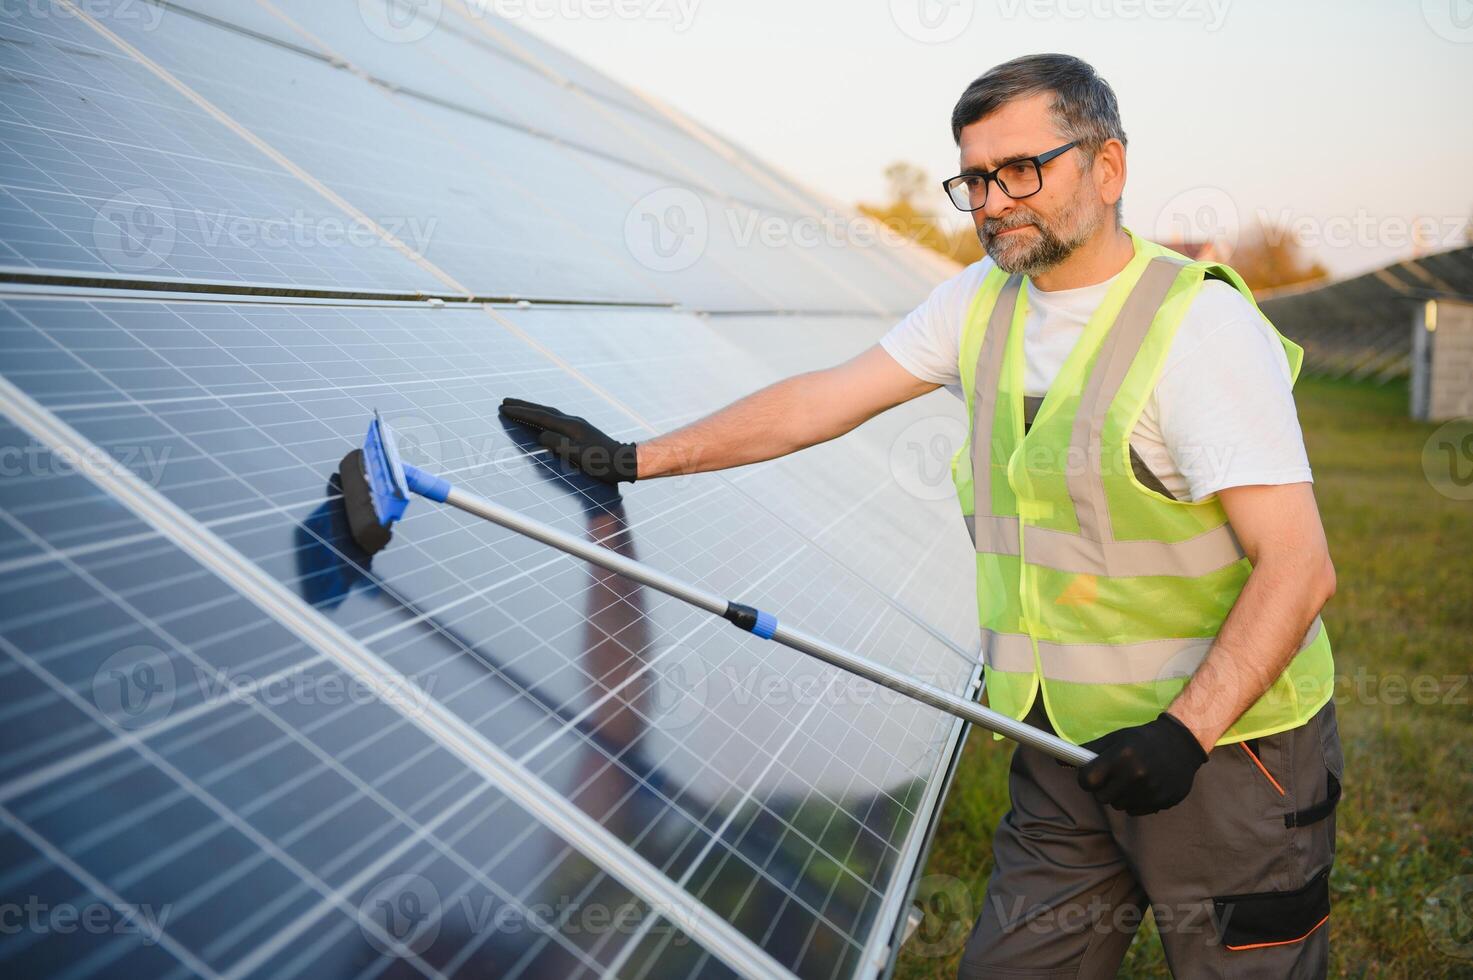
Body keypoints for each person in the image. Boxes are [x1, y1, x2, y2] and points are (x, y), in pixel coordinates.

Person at [500, 52, 1342, 979]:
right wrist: (636, 458)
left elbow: (1297, 568)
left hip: (1227, 757)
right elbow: (821, 400)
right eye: (974, 178)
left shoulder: (1197, 331)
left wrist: (1186, 732)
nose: (992, 201)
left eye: (1022, 169)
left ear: (1107, 168)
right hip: (1059, 749)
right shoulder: (978, 304)